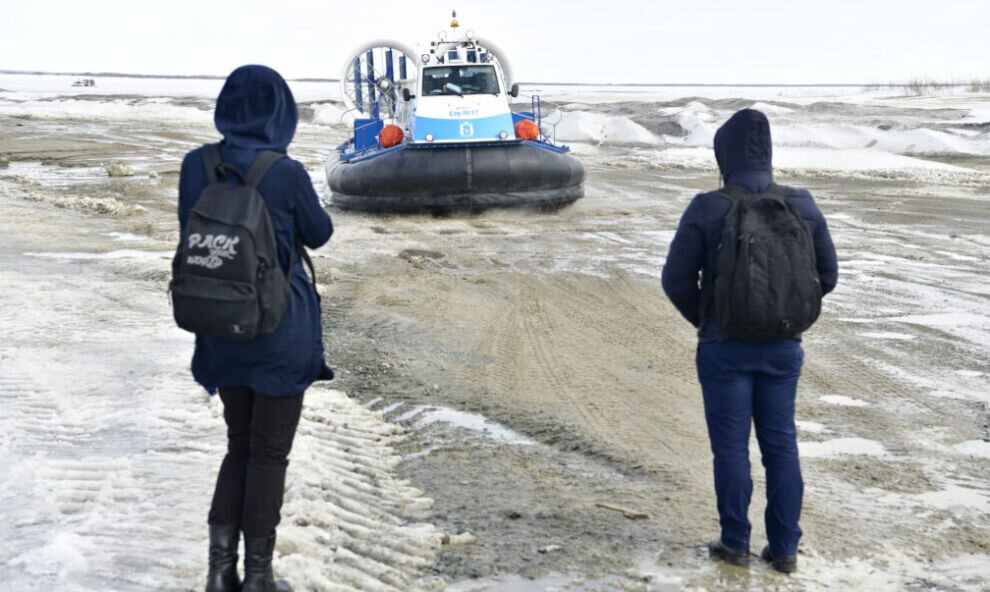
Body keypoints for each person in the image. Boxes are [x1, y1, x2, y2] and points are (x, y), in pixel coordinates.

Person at [177, 65, 334, 592]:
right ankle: (260, 578)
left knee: (238, 445)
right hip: (278, 332)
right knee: (269, 453)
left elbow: (191, 235)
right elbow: (320, 232)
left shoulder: (195, 165)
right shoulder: (285, 173)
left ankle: (220, 575)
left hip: (220, 326)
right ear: (281, 114)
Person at [661, 109, 837, 573]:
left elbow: (676, 280)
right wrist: (787, 316)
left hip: (724, 347)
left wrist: (709, 316)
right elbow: (828, 276)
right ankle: (785, 550)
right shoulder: (801, 203)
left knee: (732, 448)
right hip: (784, 347)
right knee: (781, 445)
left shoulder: (707, 207)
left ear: (725, 155)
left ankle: (735, 542)